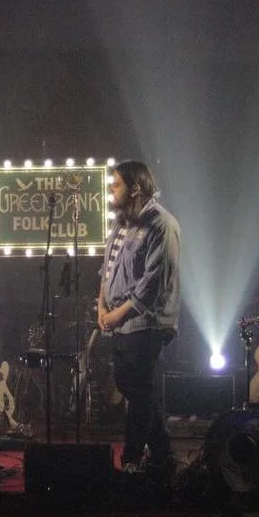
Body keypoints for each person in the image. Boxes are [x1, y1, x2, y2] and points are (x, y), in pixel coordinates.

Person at [97, 160, 181, 475]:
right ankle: (163, 455)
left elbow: (152, 285)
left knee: (140, 387)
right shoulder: (121, 224)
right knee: (130, 385)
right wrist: (101, 308)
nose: (110, 191)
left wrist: (116, 315)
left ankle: (131, 458)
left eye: (116, 185)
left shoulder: (162, 224)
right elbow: (106, 270)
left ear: (135, 187)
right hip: (121, 321)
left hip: (149, 323)